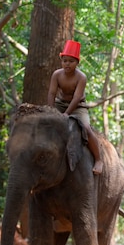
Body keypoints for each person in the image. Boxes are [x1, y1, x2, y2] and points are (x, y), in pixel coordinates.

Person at [47, 40, 103, 175]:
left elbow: (77, 97)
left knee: (86, 128)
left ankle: (98, 159)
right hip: (60, 103)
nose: (67, 64)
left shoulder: (81, 77)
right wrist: (51, 110)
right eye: (65, 61)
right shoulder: (57, 74)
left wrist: (66, 114)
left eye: (71, 61)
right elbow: (52, 93)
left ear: (77, 63)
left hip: (78, 106)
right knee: (44, 124)